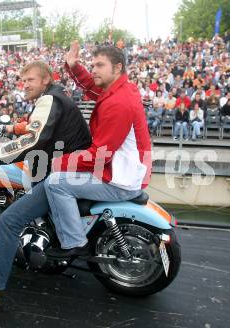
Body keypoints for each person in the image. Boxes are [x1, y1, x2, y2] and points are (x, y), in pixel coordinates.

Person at [0, 60, 91, 310]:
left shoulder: (50, 100)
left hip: (59, 174)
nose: (24, 85)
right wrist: (6, 130)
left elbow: (32, 140)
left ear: (46, 80)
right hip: (65, 169)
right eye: (23, 81)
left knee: (9, 221)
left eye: (30, 80)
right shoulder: (55, 97)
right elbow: (33, 128)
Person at [43, 43, 151, 259]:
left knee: (55, 183)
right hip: (127, 172)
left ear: (118, 67)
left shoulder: (119, 103)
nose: (94, 69)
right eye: (92, 65)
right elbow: (94, 88)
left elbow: (99, 156)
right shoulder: (122, 89)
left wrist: (56, 162)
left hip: (119, 180)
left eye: (100, 65)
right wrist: (74, 67)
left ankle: (73, 242)